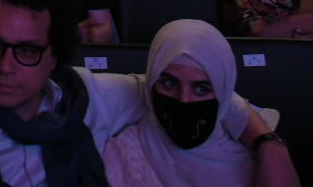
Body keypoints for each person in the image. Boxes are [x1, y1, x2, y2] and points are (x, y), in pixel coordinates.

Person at [0, 0, 288, 187]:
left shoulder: (87, 98)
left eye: (27, 50)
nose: (5, 66)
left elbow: (180, 86)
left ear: (55, 55)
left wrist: (268, 143)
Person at [99, 19, 299, 187]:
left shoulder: (261, 159)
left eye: (201, 89)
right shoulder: (124, 155)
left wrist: (270, 146)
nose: (184, 100)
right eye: (170, 83)